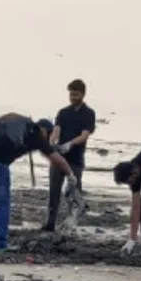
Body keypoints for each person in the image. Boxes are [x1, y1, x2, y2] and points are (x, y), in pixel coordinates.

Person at [0, 115, 72, 250]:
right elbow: (57, 159)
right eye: (49, 134)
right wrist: (71, 176)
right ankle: (0, 244)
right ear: (44, 129)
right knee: (3, 205)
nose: (47, 138)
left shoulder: (15, 121)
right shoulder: (36, 134)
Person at [46, 79, 96, 232]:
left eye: (76, 94)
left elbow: (85, 135)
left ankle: (71, 222)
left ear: (83, 94)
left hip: (76, 159)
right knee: (54, 190)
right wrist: (52, 141)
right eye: (71, 94)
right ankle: (50, 222)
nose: (73, 97)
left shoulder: (89, 113)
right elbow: (57, 130)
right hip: (59, 158)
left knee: (74, 192)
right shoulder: (63, 112)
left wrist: (70, 144)